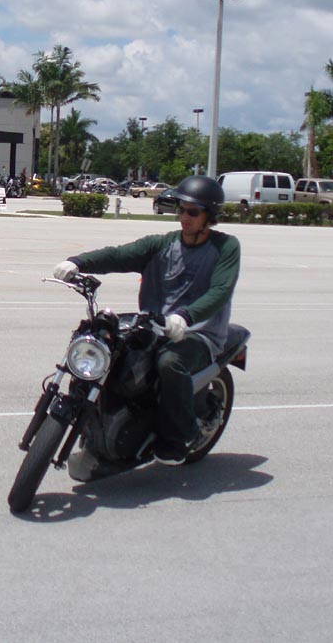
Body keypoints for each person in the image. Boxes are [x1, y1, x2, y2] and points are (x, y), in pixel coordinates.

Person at [52, 175, 241, 465]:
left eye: (193, 212)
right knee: (106, 346)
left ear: (209, 216)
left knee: (169, 363)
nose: (184, 217)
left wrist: (186, 316)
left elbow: (220, 291)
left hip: (199, 332)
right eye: (181, 209)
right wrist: (78, 262)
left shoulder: (226, 248)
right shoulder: (162, 244)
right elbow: (119, 255)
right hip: (155, 326)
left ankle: (178, 438)